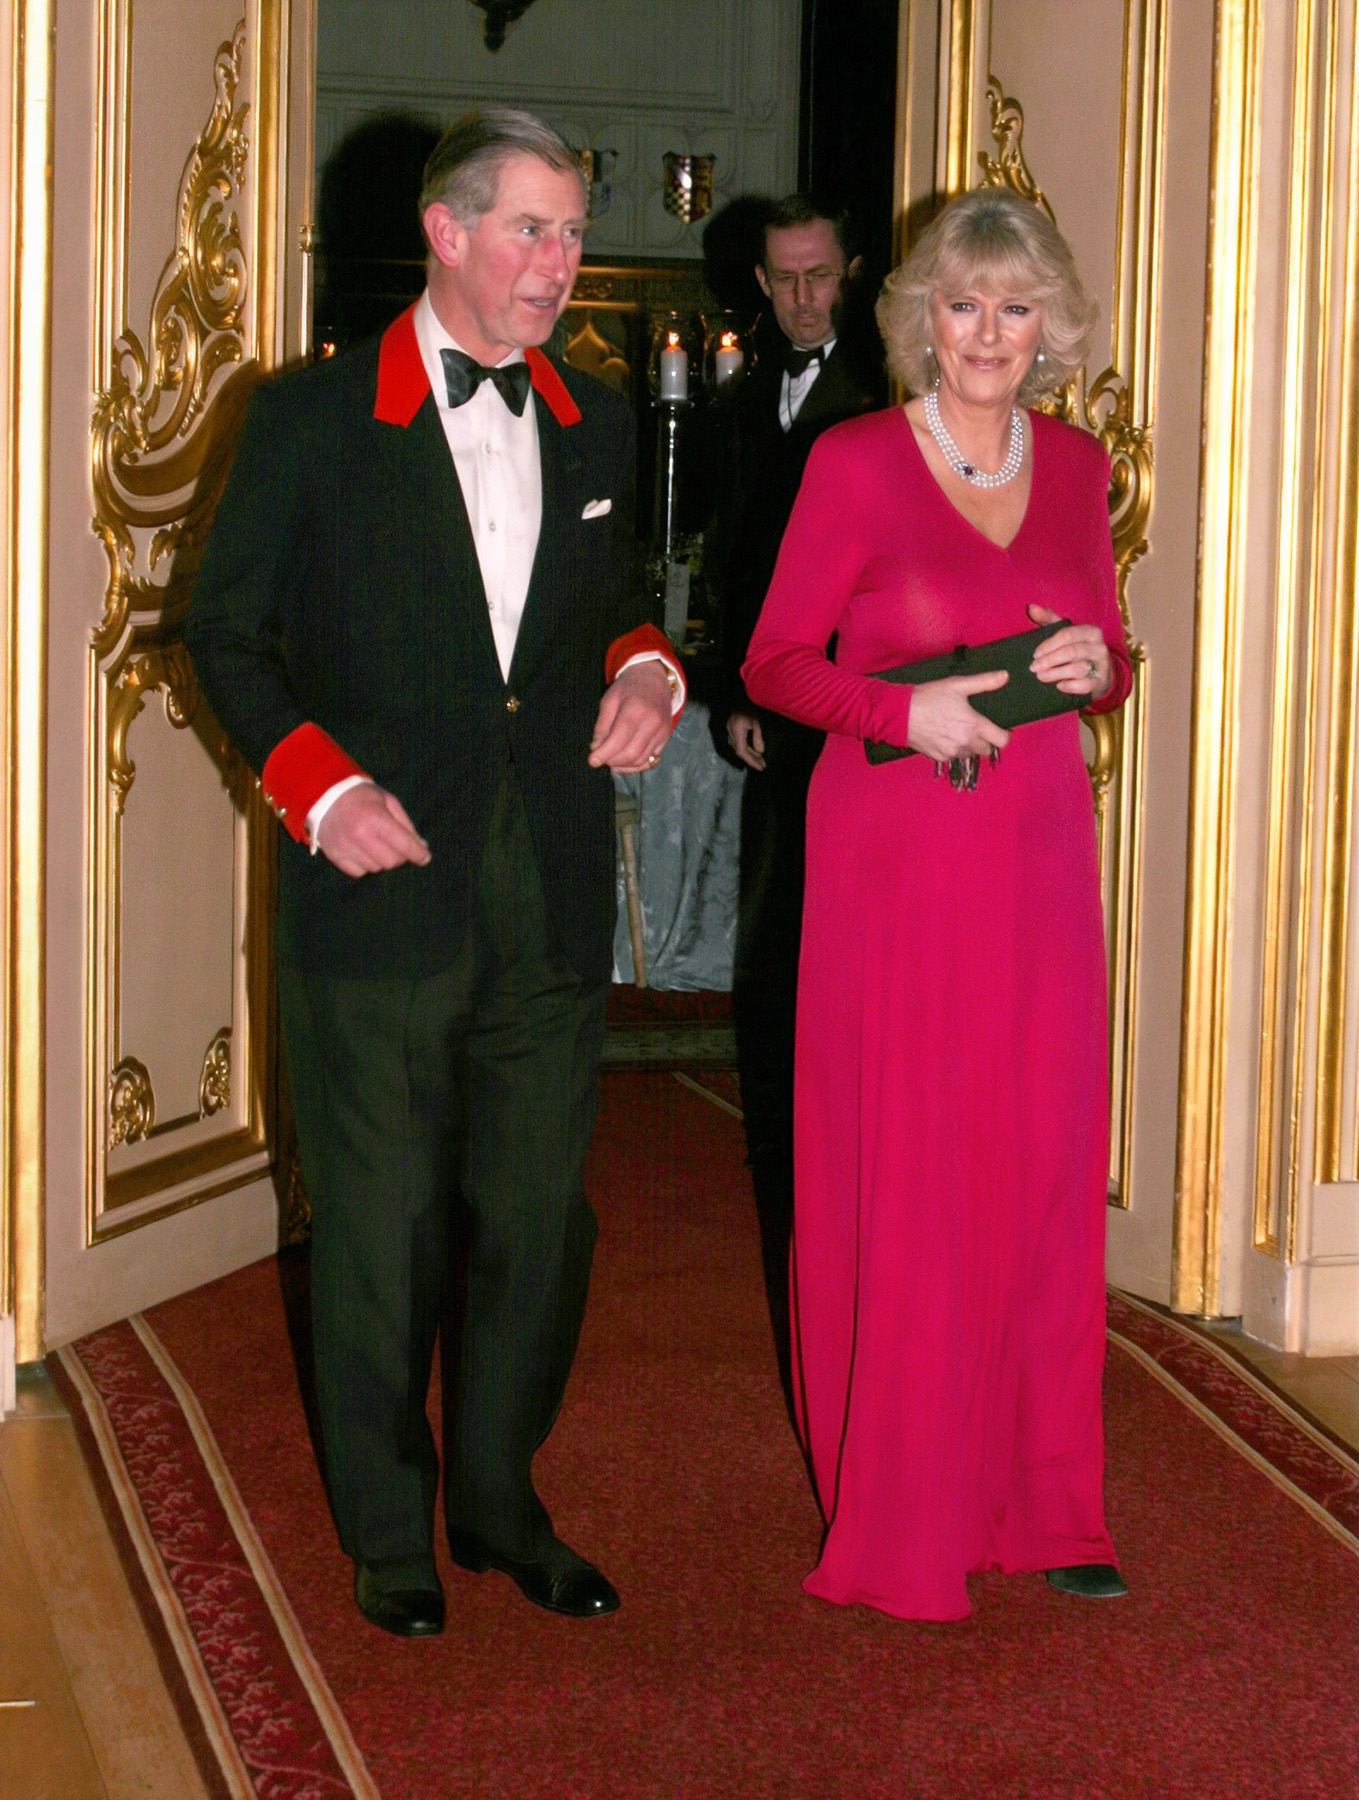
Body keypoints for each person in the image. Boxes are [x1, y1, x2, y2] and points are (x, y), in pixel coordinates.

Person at [187, 109, 683, 1637]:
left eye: (570, 233)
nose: (559, 263)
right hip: (382, 884)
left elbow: (610, 613)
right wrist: (314, 785)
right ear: (446, 233)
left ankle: (499, 1502)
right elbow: (224, 635)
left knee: (540, 1218)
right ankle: (389, 1532)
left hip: (540, 882)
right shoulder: (313, 419)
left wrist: (651, 671)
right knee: (383, 1222)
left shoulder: (595, 418)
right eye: (530, 231)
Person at [742, 187, 1132, 1622]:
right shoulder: (849, 462)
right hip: (895, 860)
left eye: (1013, 307)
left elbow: (1104, 643)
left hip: (1032, 857)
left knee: (1032, 1169)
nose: (985, 334)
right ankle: (900, 1506)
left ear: (1049, 326)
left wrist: (1099, 669)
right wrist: (901, 720)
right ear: (918, 318)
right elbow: (775, 663)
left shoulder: (1081, 468)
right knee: (908, 1171)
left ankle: (1047, 1501)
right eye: (960, 306)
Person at [713, 197, 879, 1241]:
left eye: (820, 276)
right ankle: (779, 1137)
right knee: (774, 928)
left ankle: (851, 1133)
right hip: (774, 706)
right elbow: (737, 566)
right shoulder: (744, 404)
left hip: (862, 699)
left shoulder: (889, 397)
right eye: (785, 280)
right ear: (762, 288)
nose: (804, 299)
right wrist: (736, 691)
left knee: (850, 928)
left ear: (851, 274)